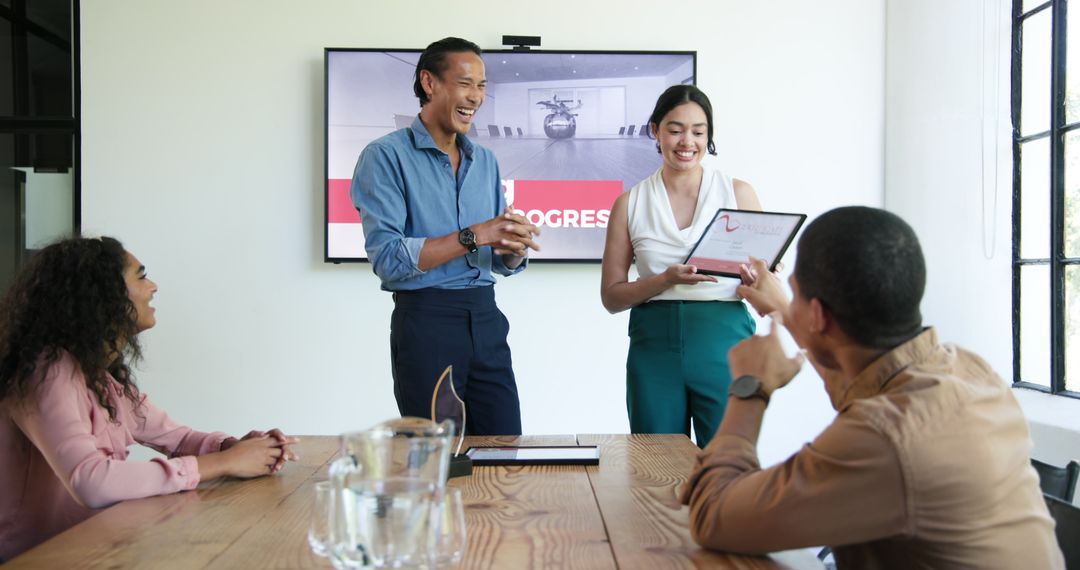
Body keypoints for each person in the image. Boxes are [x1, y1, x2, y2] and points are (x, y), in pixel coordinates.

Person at [679, 207, 1064, 569]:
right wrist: (785, 309)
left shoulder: (886, 439)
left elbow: (713, 514)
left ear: (818, 314)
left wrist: (751, 388)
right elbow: (855, 385)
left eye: (794, 292)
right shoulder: (967, 369)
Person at [0, 237, 299, 561]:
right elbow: (90, 480)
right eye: (141, 276)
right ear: (102, 295)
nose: (153, 286)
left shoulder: (100, 378)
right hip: (36, 561)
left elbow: (177, 437)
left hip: (94, 552)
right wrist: (224, 463)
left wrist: (236, 447)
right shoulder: (48, 371)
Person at [350, 37, 540, 436]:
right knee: (438, 464)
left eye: (483, 86)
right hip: (427, 323)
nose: (477, 97)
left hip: (487, 320)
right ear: (429, 82)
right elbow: (388, 259)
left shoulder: (483, 160)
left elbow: (492, 256)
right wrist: (475, 234)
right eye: (466, 83)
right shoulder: (384, 156)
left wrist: (510, 249)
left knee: (505, 452)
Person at [600, 84, 763, 447]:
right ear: (655, 131)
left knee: (728, 463)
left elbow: (762, 283)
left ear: (709, 136)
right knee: (654, 470)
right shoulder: (629, 203)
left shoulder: (739, 194)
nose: (686, 141)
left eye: (698, 131)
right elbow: (611, 297)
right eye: (674, 129)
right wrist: (664, 280)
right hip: (653, 345)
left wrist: (760, 277)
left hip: (724, 339)